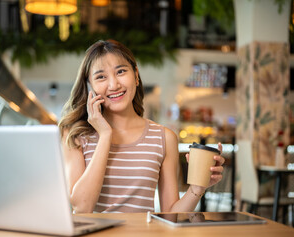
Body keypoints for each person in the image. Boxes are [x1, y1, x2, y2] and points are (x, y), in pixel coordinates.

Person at [58, 39, 225, 213]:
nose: (114, 85)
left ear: (136, 76)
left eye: (121, 71)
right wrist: (105, 135)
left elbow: (170, 215)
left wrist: (196, 189)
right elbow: (82, 207)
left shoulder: (164, 138)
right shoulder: (75, 134)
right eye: (101, 77)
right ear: (89, 86)